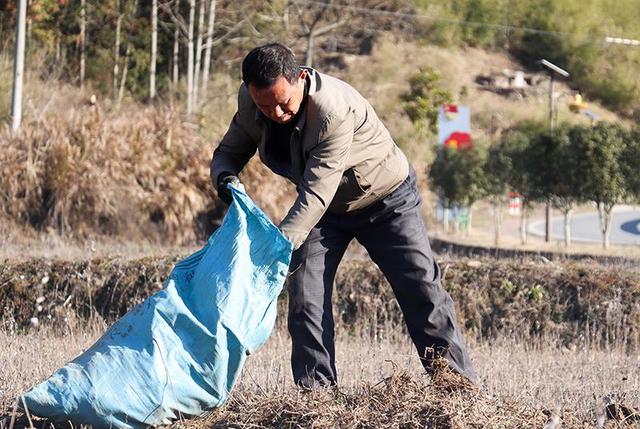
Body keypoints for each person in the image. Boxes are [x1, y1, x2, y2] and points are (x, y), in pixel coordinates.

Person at [210, 42, 477, 387]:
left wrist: (276, 247)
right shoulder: (251, 104)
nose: (276, 112)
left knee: (420, 287)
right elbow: (228, 151)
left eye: (283, 102)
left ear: (301, 78)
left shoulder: (332, 111)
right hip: (325, 213)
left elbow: (317, 192)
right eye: (266, 105)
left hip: (385, 200)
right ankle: (316, 397)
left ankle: (454, 385)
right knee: (306, 297)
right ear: (248, 91)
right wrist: (226, 180)